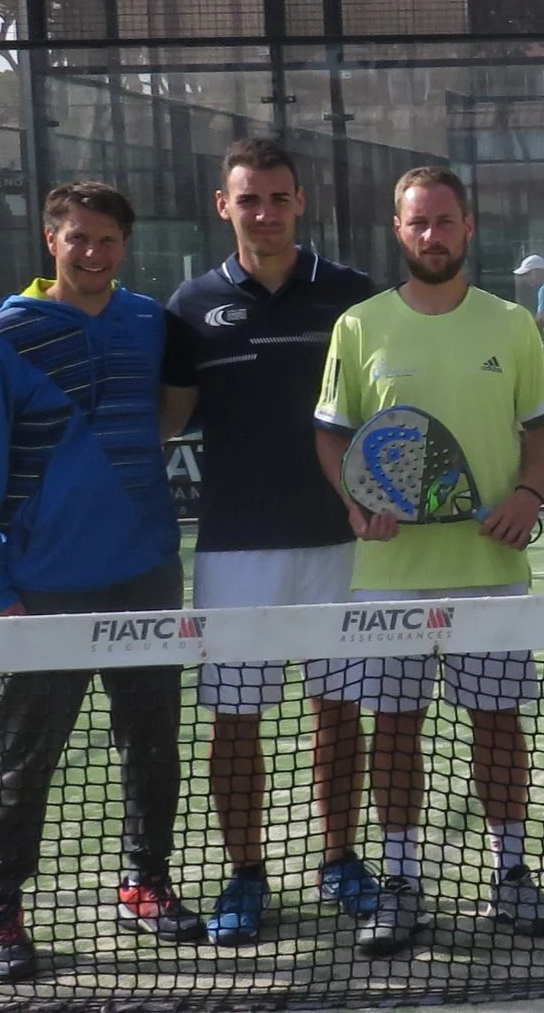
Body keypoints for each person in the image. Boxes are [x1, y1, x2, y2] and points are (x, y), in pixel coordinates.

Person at [0, 182, 203, 981]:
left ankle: (145, 882)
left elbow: (167, 406)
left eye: (107, 241)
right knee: (25, 761)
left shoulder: (145, 321)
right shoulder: (3, 341)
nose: (92, 254)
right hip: (44, 588)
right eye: (77, 240)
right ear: (51, 242)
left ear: (125, 245)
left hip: (147, 573)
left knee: (152, 746)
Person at [314, 166, 544, 955]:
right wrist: (355, 502)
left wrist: (529, 492)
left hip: (490, 571)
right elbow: (330, 431)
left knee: (497, 724)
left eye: (445, 221)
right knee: (394, 727)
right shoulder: (359, 326)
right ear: (399, 229)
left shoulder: (510, 325)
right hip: (388, 579)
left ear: (469, 226)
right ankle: (400, 881)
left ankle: (513, 873)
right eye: (418, 222)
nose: (433, 235)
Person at [161, 138, 383, 946]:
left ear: (300, 203)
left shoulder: (355, 296)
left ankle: (340, 860)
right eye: (248, 199)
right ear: (225, 206)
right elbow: (167, 417)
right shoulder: (189, 306)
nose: (265, 212)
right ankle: (246, 872)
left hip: (341, 542)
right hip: (234, 548)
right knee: (235, 719)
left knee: (339, 709)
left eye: (278, 198)